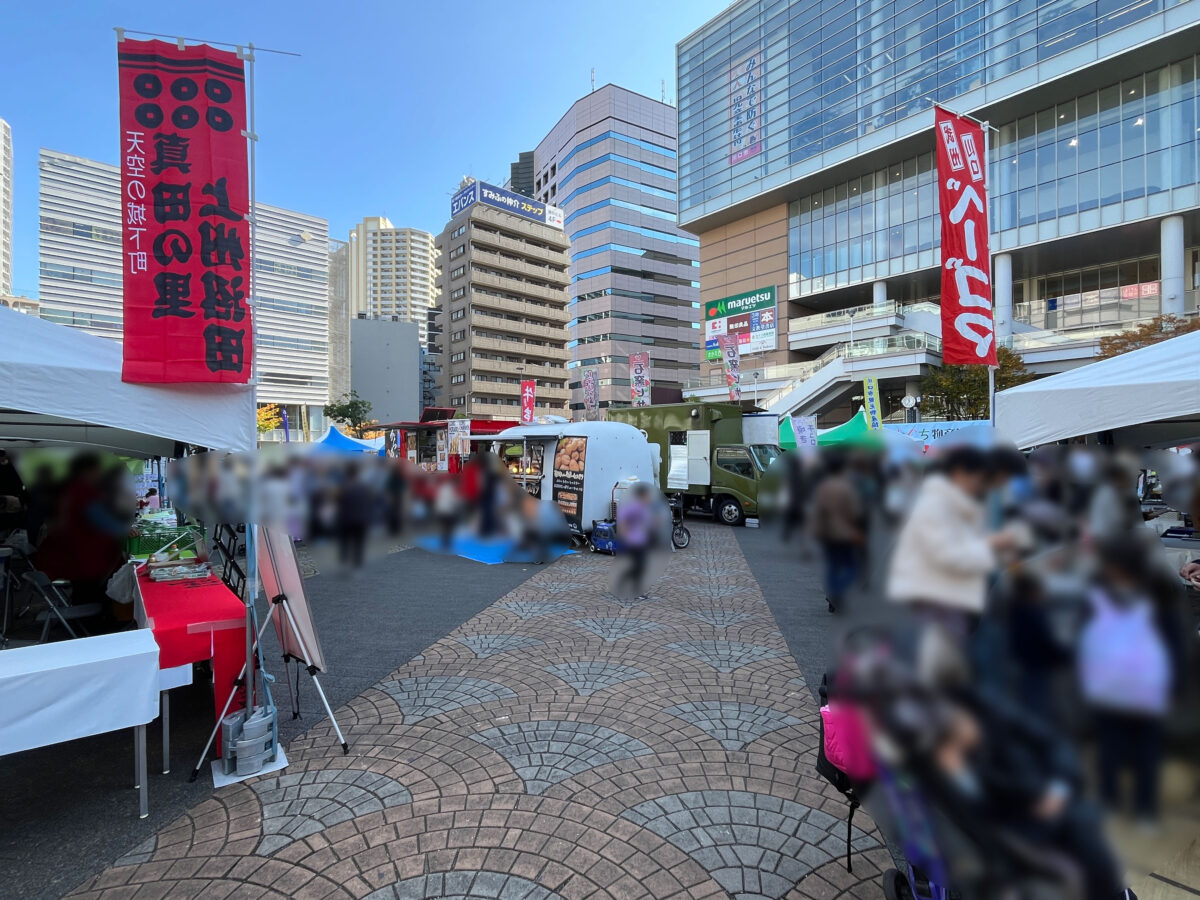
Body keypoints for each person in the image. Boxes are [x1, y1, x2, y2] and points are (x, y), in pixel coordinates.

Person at [1080, 538, 1181, 824]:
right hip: (1112, 690)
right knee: (1111, 749)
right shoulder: (1098, 594)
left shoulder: (1157, 597)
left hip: (1140, 690)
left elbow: (1174, 643)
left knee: (1145, 751)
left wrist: (1175, 685)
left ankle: (1144, 807)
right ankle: (1113, 800)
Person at [886, 445, 1017, 635]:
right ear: (959, 474)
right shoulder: (936, 504)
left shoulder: (951, 501)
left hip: (946, 592)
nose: (981, 485)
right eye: (979, 478)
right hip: (940, 595)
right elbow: (947, 554)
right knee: (946, 649)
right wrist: (992, 544)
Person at [811, 454, 864, 613]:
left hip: (826, 533)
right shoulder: (846, 487)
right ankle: (836, 592)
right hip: (844, 533)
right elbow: (856, 512)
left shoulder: (822, 486)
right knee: (851, 568)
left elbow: (817, 510)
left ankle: (832, 598)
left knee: (833, 566)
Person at [614, 482, 656, 600]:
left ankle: (626, 585)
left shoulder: (644, 507)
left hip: (641, 540)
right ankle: (630, 588)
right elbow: (622, 520)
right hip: (633, 541)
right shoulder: (634, 506)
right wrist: (624, 535)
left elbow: (647, 523)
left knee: (640, 566)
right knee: (639, 566)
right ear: (642, 495)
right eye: (647, 496)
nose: (649, 498)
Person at [0, 449, 28, 536]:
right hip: (7, 500)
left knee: (11, 521)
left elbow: (19, 484)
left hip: (11, 500)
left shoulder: (11, 467)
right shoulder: (11, 467)